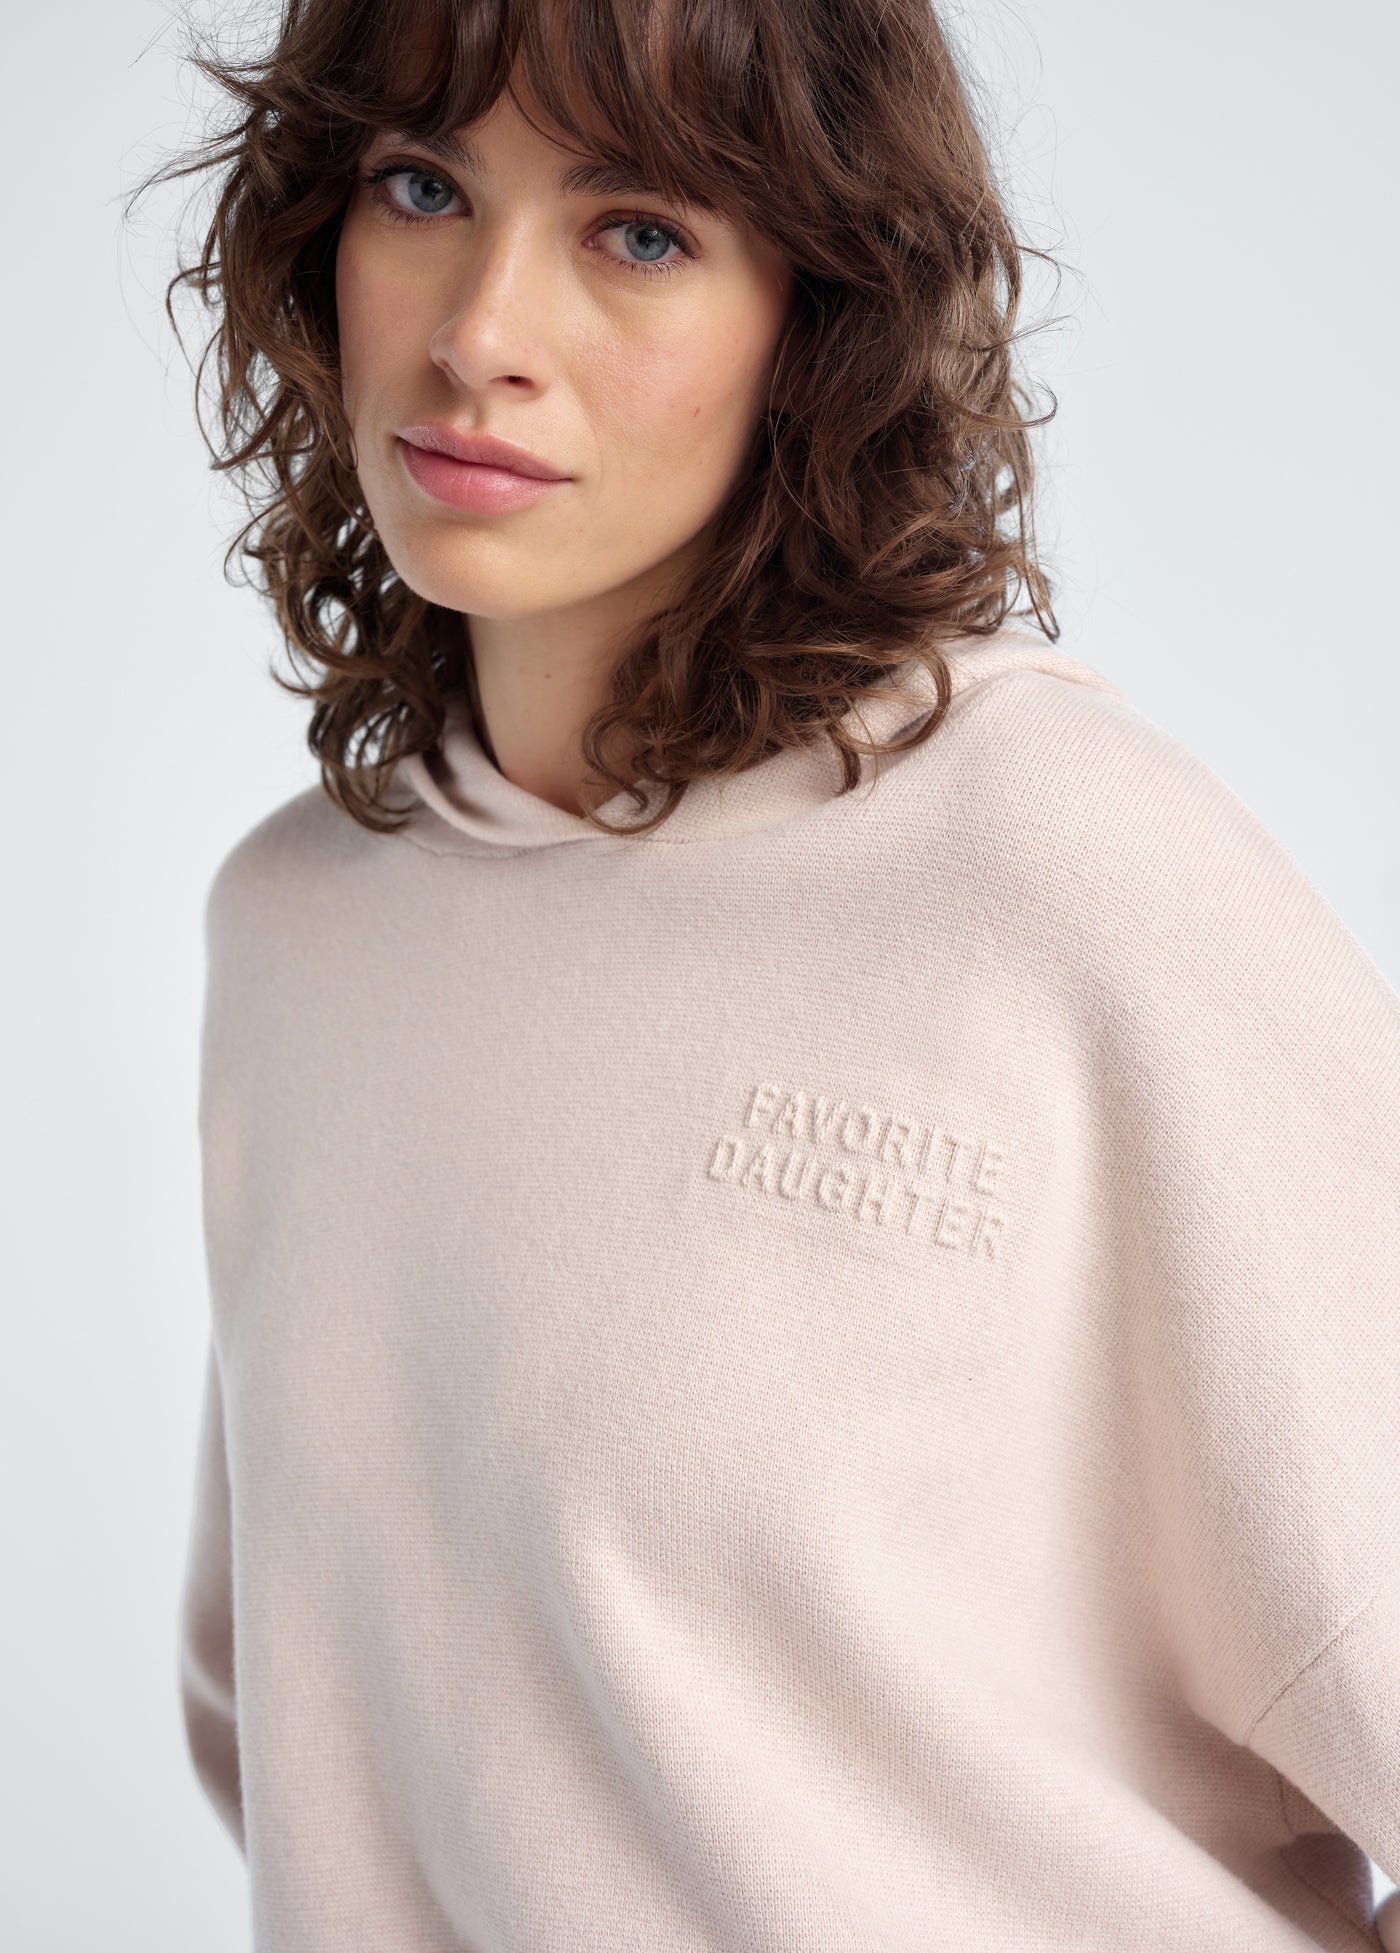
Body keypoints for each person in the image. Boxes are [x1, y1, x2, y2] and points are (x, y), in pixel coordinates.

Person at [158, 0, 1400, 1945]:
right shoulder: (298, 928)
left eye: (639, 229)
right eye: (421, 186)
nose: (481, 330)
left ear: (818, 322)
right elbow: (304, 1730)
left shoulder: (1057, 872)